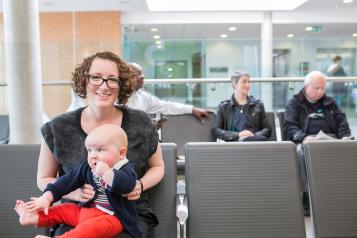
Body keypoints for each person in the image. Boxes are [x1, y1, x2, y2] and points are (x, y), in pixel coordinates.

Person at [37, 51, 164, 238]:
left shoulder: (141, 122)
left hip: (129, 216)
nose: (104, 86)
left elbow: (158, 166)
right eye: (96, 77)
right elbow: (44, 178)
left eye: (112, 79)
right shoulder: (58, 127)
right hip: (79, 213)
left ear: (122, 85)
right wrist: (75, 193)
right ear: (84, 81)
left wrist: (140, 185)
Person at [15, 124, 140, 238]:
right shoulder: (87, 168)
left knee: (91, 229)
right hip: (87, 211)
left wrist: (107, 173)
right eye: (89, 150)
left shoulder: (126, 170)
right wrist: (47, 197)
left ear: (121, 153)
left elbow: (127, 186)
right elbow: (65, 182)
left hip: (113, 218)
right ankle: (34, 216)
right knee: (64, 209)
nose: (93, 155)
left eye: (100, 150)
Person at [284, 70, 353, 216]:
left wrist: (345, 136)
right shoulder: (295, 103)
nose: (321, 91)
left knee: (350, 149)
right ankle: (307, 196)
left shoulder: (330, 103)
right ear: (306, 86)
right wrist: (303, 137)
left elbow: (341, 122)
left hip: (330, 138)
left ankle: (343, 195)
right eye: (317, 88)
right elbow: (290, 126)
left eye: (323, 88)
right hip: (306, 140)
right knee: (299, 152)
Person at [127, 62, 209, 127]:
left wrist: (192, 109)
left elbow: (166, 106)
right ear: (127, 76)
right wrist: (148, 125)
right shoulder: (116, 97)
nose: (143, 77)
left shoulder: (143, 97)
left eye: (142, 73)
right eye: (139, 73)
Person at [212, 72, 271, 141]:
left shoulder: (257, 105)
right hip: (234, 144)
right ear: (234, 84)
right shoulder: (224, 107)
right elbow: (216, 129)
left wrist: (252, 136)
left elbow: (267, 129)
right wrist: (238, 135)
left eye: (249, 82)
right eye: (244, 82)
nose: (248, 85)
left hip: (255, 142)